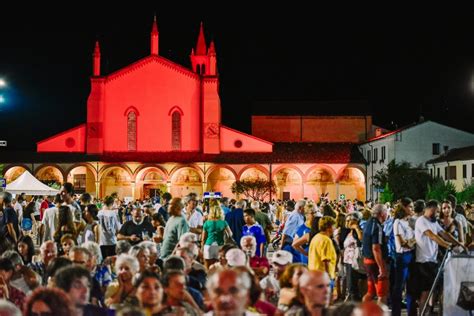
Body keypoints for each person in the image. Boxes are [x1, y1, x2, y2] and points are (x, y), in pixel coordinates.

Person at [362, 204, 389, 304]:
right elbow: (376, 248)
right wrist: (381, 268)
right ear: (382, 214)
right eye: (386, 212)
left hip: (367, 261)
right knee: (382, 294)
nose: (387, 214)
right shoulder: (377, 226)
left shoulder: (368, 223)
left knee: (370, 292)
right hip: (374, 263)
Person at [201, 199, 232, 268]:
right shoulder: (224, 222)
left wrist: (202, 247)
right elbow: (230, 234)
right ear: (220, 212)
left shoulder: (207, 223)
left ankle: (208, 278)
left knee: (207, 266)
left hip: (208, 245)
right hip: (220, 245)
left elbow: (203, 238)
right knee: (219, 266)